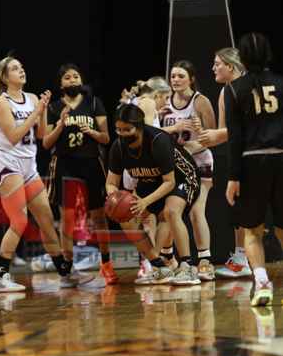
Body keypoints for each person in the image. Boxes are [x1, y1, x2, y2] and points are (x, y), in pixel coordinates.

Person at [0, 56, 82, 290]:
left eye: (22, 67)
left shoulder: (32, 98)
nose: (21, 71)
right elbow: (13, 136)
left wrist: (52, 118)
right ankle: (0, 277)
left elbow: (41, 135)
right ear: (4, 77)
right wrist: (37, 112)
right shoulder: (1, 103)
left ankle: (64, 272)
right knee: (19, 221)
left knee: (46, 219)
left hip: (29, 167)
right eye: (15, 69)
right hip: (9, 165)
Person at [106, 103, 201, 285]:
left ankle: (188, 266)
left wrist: (145, 202)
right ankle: (159, 267)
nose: (122, 134)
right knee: (126, 218)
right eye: (118, 130)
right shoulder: (118, 147)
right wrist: (114, 198)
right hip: (150, 181)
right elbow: (111, 183)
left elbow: (169, 182)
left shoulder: (158, 140)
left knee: (170, 212)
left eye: (127, 129)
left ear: (139, 127)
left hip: (182, 177)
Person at [44, 63, 116, 287]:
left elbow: (106, 138)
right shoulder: (54, 107)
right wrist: (60, 124)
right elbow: (46, 142)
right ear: (61, 84)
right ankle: (67, 268)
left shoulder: (93, 103)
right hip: (65, 165)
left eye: (76, 76)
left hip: (91, 163)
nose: (72, 80)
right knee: (67, 219)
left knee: (99, 216)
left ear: (81, 81)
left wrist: (92, 131)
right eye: (67, 77)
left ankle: (106, 263)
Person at [224, 33, 283, 307]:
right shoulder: (281, 83)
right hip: (281, 158)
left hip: (251, 162)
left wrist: (233, 176)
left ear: (243, 58)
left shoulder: (234, 89)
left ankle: (261, 283)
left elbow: (234, 138)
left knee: (252, 231)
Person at [197, 47, 251, 278]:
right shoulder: (224, 92)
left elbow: (252, 127)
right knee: (240, 208)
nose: (213, 68)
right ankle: (241, 258)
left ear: (230, 66)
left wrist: (218, 135)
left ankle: (244, 258)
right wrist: (204, 136)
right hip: (238, 156)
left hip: (257, 154)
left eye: (217, 63)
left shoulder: (249, 86)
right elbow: (224, 131)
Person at [161, 60, 217, 280]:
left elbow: (214, 136)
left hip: (200, 162)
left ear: (191, 79)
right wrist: (172, 128)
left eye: (181, 76)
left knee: (195, 212)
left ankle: (205, 261)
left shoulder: (200, 101)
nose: (175, 80)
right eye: (173, 76)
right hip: (175, 165)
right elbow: (153, 132)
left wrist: (195, 142)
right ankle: (169, 258)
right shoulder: (164, 101)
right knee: (169, 212)